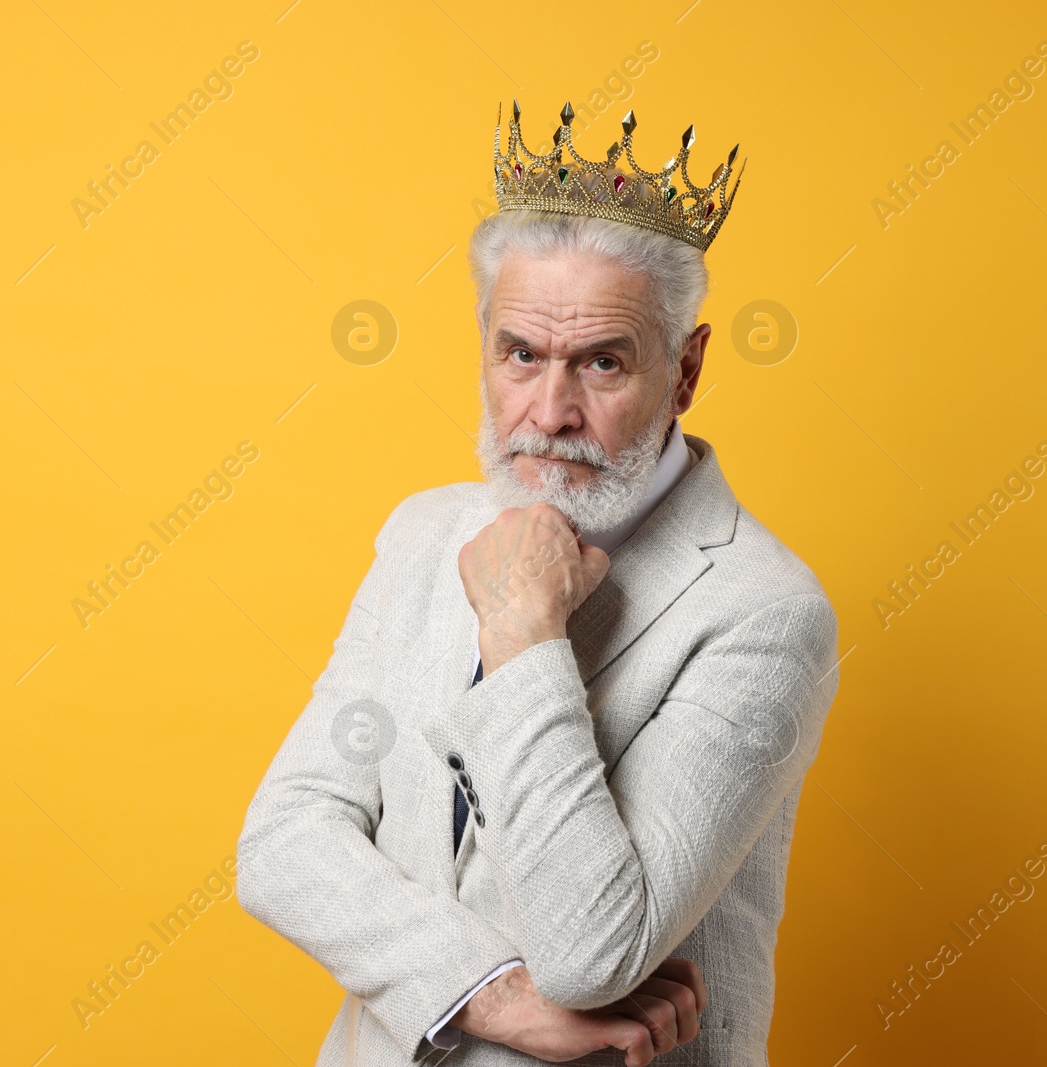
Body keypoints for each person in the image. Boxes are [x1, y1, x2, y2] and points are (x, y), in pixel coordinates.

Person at [237, 100, 840, 1066]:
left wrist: (523, 632)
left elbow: (594, 949)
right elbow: (284, 839)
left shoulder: (765, 615)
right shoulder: (423, 536)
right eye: (521, 354)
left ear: (685, 370)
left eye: (602, 362)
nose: (549, 411)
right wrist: (492, 997)